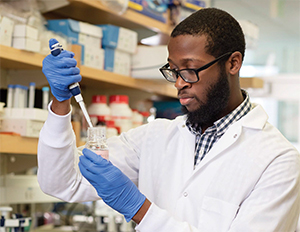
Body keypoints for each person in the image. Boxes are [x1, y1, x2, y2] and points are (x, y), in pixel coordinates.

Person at [37, 7, 300, 231]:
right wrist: (61, 102)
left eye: (189, 69)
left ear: (233, 63)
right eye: (173, 70)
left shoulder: (279, 160)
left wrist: (139, 209)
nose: (178, 83)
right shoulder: (154, 137)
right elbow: (62, 182)